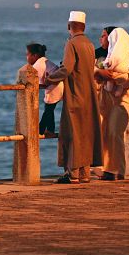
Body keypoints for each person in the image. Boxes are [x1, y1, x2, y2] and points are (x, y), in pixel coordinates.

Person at [44, 11, 103, 184]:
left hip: (75, 94)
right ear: (83, 27)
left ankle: (73, 173)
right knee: (85, 133)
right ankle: (85, 173)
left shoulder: (72, 43)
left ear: (69, 26)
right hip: (89, 95)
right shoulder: (89, 44)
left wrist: (50, 78)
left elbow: (67, 68)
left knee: (72, 134)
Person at [94, 26, 129, 181]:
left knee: (115, 131)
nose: (101, 39)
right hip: (104, 100)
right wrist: (99, 72)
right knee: (104, 132)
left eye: (104, 36)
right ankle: (107, 169)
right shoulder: (98, 54)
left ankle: (118, 170)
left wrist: (114, 78)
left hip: (122, 100)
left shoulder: (125, 58)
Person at [25, 43, 64, 136]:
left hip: (55, 87)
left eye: (28, 54)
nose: (26, 57)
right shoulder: (44, 61)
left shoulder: (38, 64)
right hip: (57, 86)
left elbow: (32, 81)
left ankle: (40, 130)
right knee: (49, 109)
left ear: (35, 55)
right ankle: (48, 130)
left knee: (48, 110)